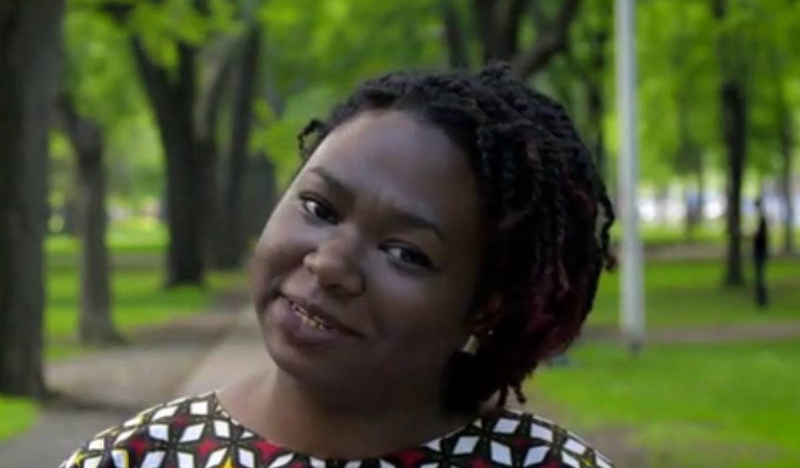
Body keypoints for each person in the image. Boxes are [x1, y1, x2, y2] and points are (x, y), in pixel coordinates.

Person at [61, 64, 616, 468]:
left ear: (484, 304)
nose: (330, 264)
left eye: (406, 253)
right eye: (319, 208)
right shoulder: (139, 457)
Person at [753, 198, 769, 308]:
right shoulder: (760, 219)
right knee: (759, 276)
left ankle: (762, 300)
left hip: (760, 252)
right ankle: (760, 299)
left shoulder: (761, 219)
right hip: (759, 251)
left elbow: (760, 234)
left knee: (760, 277)